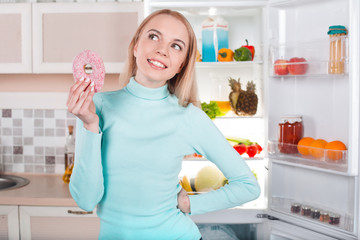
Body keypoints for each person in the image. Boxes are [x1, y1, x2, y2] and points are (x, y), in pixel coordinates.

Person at [67, 9, 260, 240]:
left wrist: (190, 203)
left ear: (181, 65)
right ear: (136, 46)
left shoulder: (189, 117)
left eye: (176, 46)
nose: (162, 50)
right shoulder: (96, 106)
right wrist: (89, 125)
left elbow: (249, 185)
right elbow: (86, 200)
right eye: (153, 37)